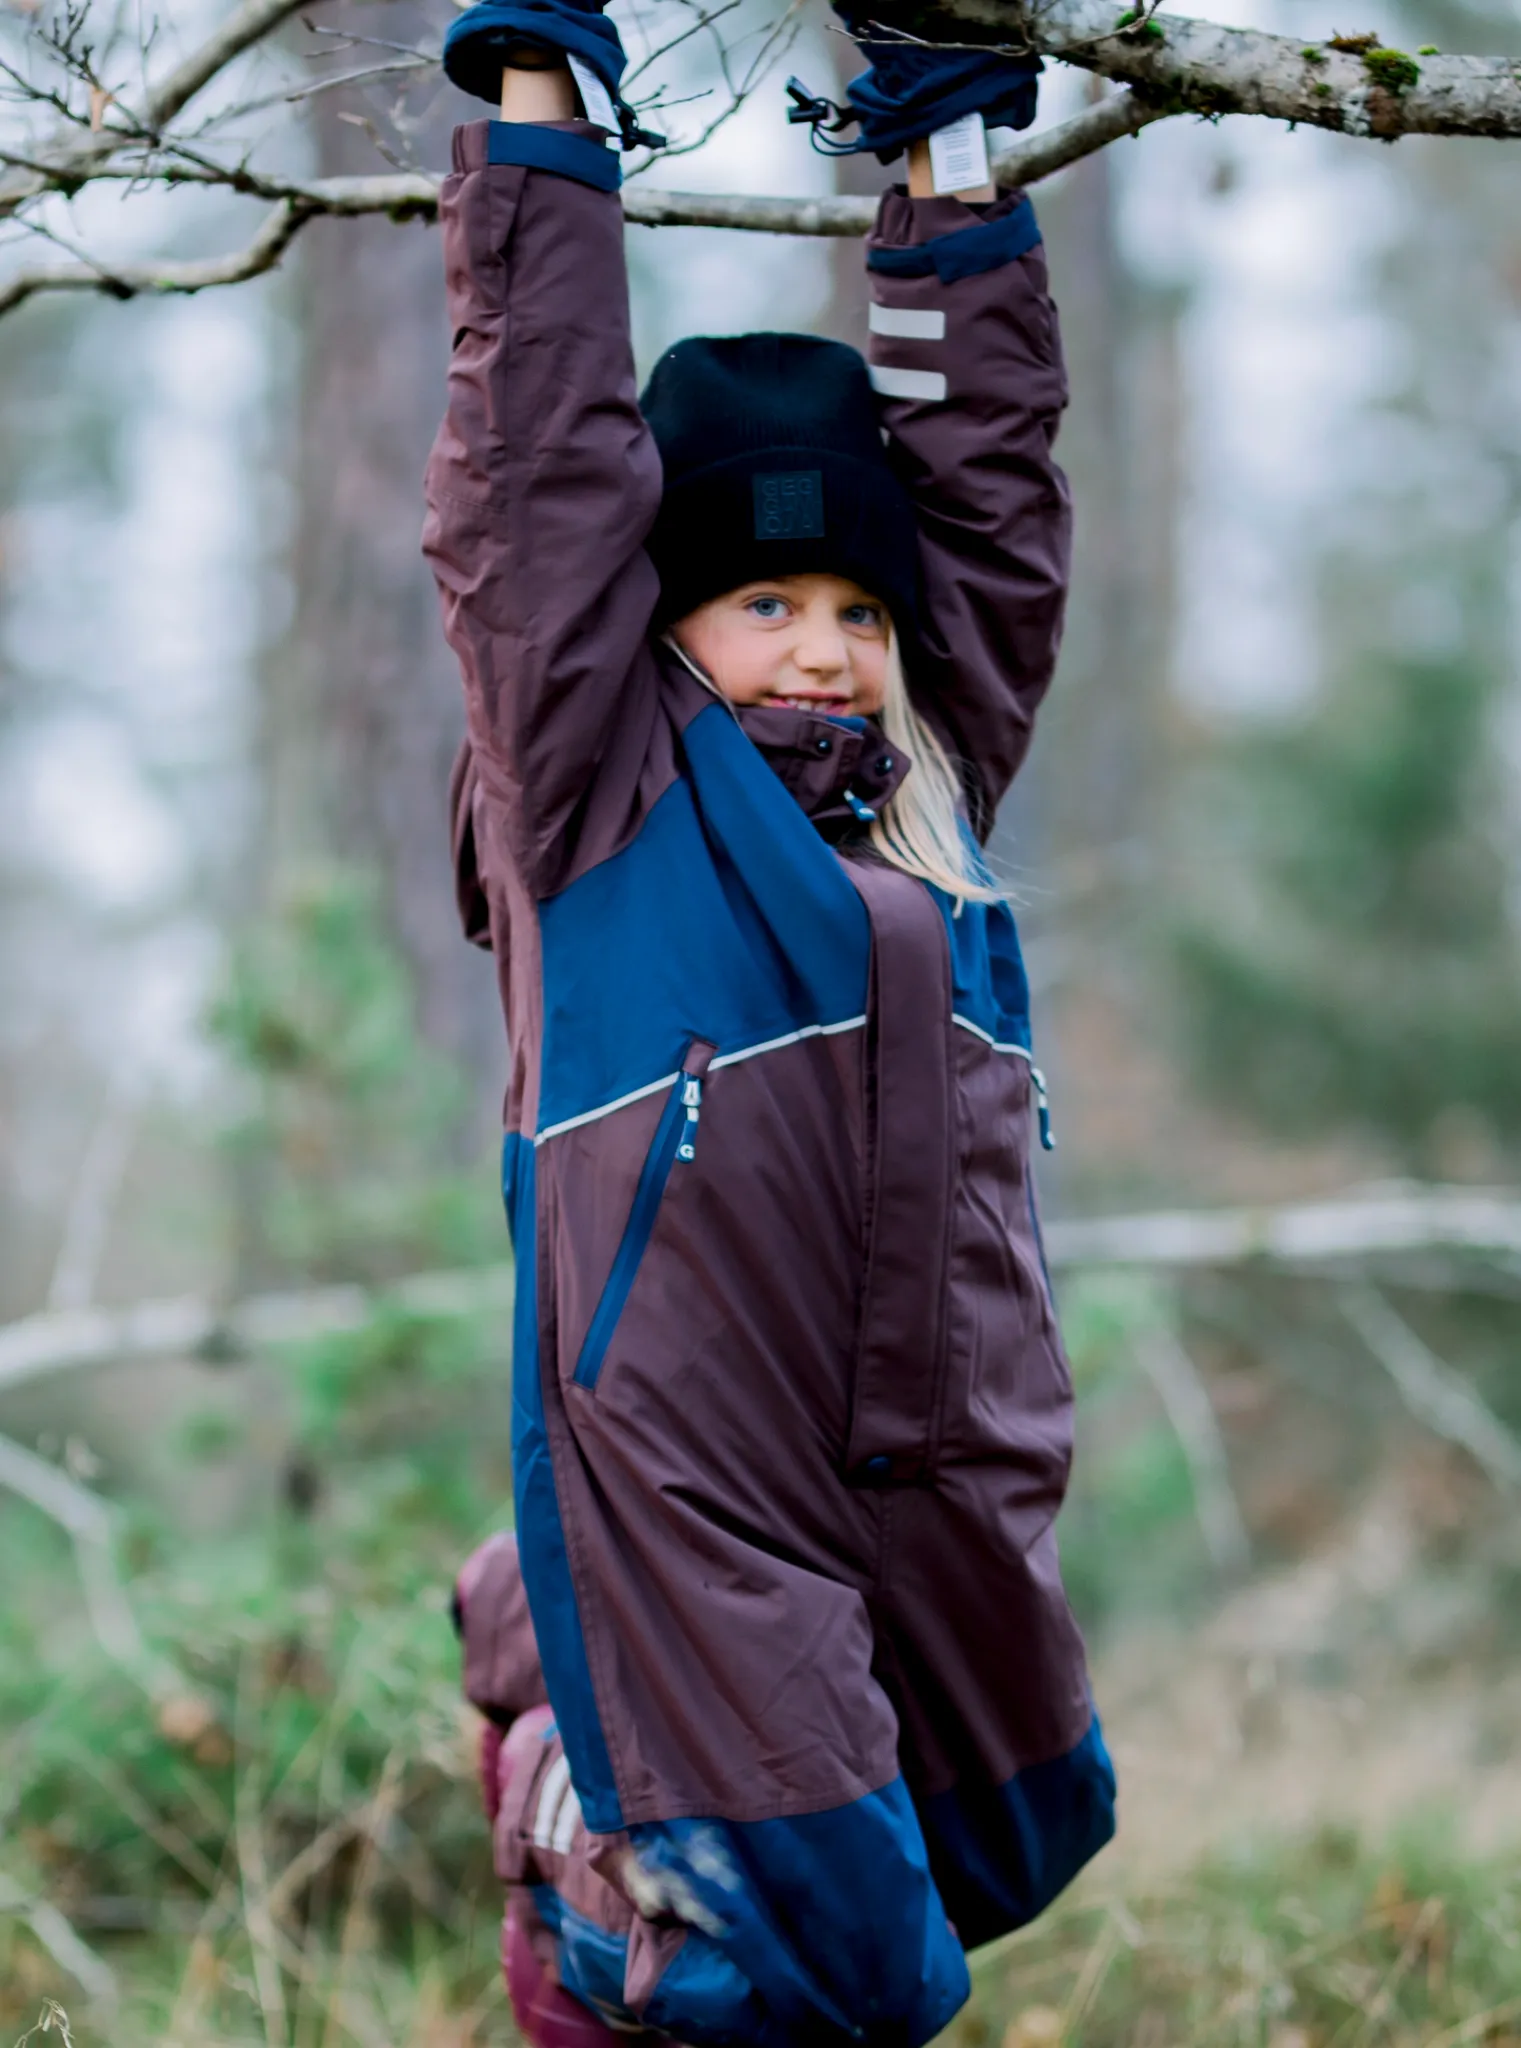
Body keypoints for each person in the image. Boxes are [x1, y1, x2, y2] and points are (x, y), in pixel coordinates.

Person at [422, 1, 1117, 2040]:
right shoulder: (604, 795)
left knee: (1010, 1840)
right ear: (664, 625)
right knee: (843, 1974)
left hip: (943, 1468)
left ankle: (569, 1712)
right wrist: (543, 114)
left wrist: (946, 153)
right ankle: (577, 1812)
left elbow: (984, 497)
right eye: (765, 605)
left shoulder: (932, 796)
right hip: (703, 1484)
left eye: (854, 611)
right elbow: (534, 472)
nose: (823, 648)